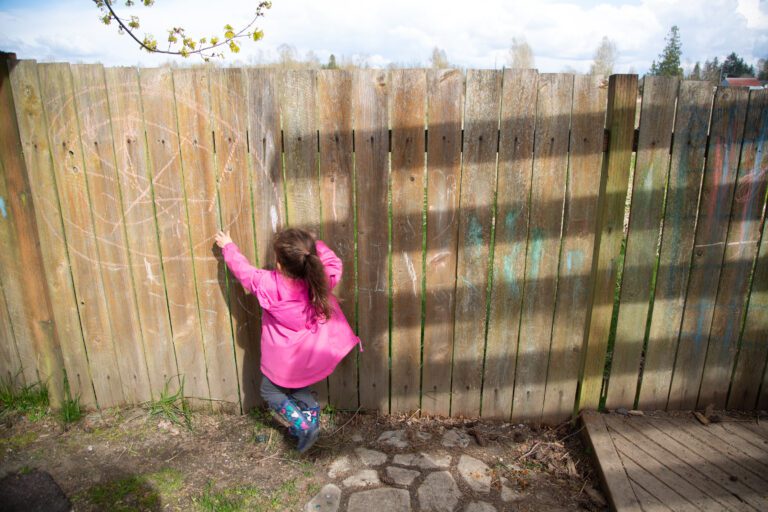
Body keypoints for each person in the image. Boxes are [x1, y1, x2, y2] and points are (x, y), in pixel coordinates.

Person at [214, 228, 360, 453]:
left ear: (279, 264)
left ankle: (303, 426)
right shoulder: (319, 282)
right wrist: (315, 244)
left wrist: (228, 247)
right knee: (300, 387)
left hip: (282, 360)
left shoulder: (266, 283)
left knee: (270, 392)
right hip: (309, 357)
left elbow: (243, 271)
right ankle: (311, 417)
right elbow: (334, 263)